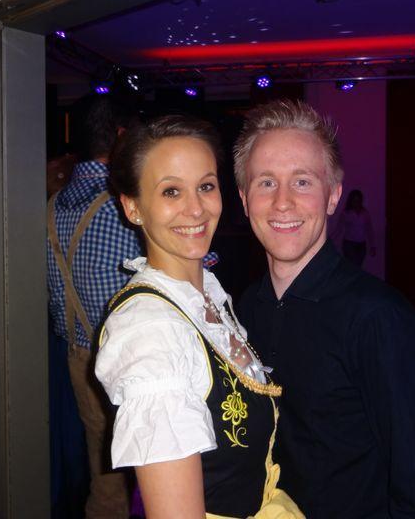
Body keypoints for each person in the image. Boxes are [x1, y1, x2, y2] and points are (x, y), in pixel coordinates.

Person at [235, 100, 415, 519]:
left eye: (302, 181)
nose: (283, 202)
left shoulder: (379, 318)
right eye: (266, 182)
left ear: (333, 196)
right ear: (244, 199)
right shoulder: (242, 310)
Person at [95, 115, 303, 519]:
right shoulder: (150, 330)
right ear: (133, 207)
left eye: (206, 186)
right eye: (171, 191)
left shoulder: (204, 293)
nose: (195, 209)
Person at [47, 97, 141, 519]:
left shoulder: (54, 204)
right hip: (130, 356)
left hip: (79, 357)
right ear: (120, 136)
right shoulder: (124, 206)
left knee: (106, 475)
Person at [332, 189, 376, 266]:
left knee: (358, 266)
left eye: (358, 200)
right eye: (354, 200)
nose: (356, 203)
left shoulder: (365, 214)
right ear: (351, 201)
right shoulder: (346, 214)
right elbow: (339, 229)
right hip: (349, 244)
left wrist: (372, 245)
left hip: (361, 244)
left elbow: (369, 230)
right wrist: (330, 242)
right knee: (351, 266)